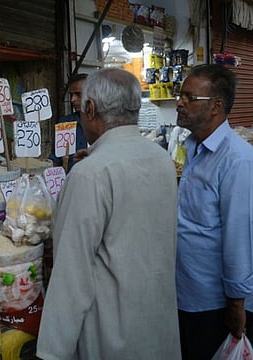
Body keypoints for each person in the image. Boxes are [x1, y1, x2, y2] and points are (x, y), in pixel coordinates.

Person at [36, 68, 181, 359]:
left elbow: (70, 275)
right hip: (157, 322)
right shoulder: (161, 159)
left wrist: (51, 352)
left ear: (89, 109)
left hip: (111, 333)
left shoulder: (90, 173)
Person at [175, 64, 253, 359]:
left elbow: (239, 236)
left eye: (190, 97)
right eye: (180, 95)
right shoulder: (194, 148)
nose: (180, 102)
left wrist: (236, 302)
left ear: (216, 107)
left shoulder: (237, 160)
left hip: (214, 302)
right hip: (188, 292)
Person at [48, 73, 88, 173]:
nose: (72, 99)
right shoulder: (65, 124)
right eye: (71, 95)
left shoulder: (105, 124)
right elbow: (55, 160)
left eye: (78, 94)